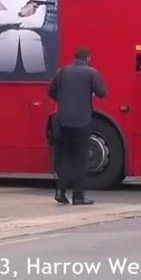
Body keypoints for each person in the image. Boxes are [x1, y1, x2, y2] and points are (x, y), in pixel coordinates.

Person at [47, 46, 107, 205]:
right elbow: (102, 92)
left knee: (65, 157)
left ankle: (60, 191)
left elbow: (50, 91)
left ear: (75, 57)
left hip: (63, 120)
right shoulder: (91, 73)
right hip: (82, 121)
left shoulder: (63, 72)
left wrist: (63, 100)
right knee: (80, 158)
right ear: (87, 58)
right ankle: (78, 196)